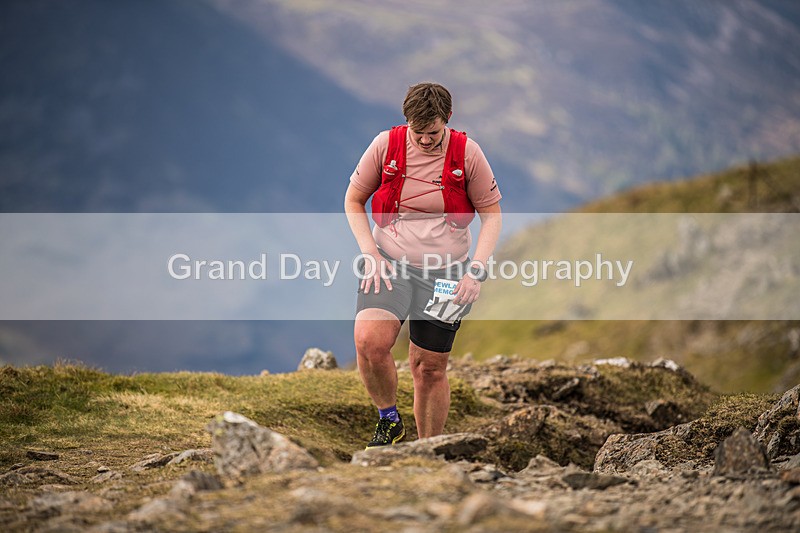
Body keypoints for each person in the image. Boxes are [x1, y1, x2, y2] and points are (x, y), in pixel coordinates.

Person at [344, 82, 502, 449]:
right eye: (418, 133)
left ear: (447, 119)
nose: (426, 141)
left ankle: (428, 450)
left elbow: (491, 216)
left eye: (433, 133)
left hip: (448, 273)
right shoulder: (386, 145)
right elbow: (353, 200)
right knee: (369, 341)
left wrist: (475, 272)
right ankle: (389, 421)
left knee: (428, 368)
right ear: (407, 122)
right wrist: (371, 253)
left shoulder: (468, 153)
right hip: (390, 264)